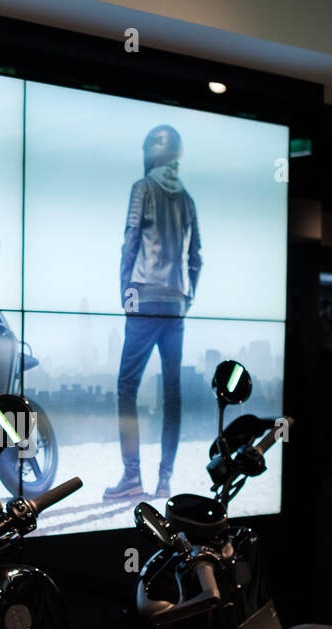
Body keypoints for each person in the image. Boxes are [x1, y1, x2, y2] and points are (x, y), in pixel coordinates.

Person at [105, 124, 202, 501]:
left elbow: (130, 242)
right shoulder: (189, 200)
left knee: (126, 387)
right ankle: (165, 480)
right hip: (175, 306)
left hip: (144, 301)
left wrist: (124, 292)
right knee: (172, 394)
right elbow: (196, 259)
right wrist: (187, 298)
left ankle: (132, 476)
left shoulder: (142, 188)